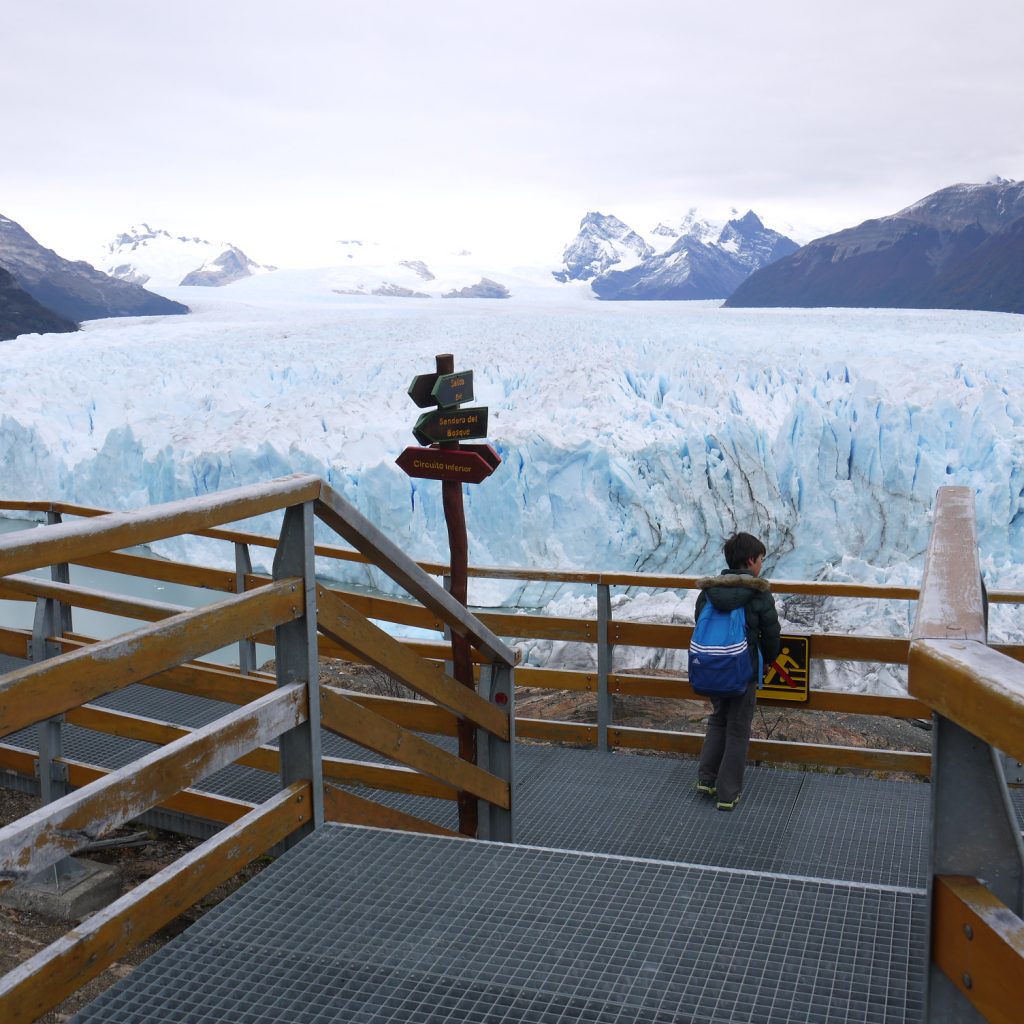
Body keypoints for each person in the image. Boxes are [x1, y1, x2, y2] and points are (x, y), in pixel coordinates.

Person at [694, 532, 780, 811]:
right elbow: (771, 635)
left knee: (719, 719)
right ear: (749, 561)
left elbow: (700, 623)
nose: (761, 565)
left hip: (715, 667)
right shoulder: (759, 594)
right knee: (739, 728)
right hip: (743, 672)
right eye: (761, 560)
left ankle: (706, 778)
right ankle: (728, 793)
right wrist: (768, 660)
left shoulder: (709, 592)